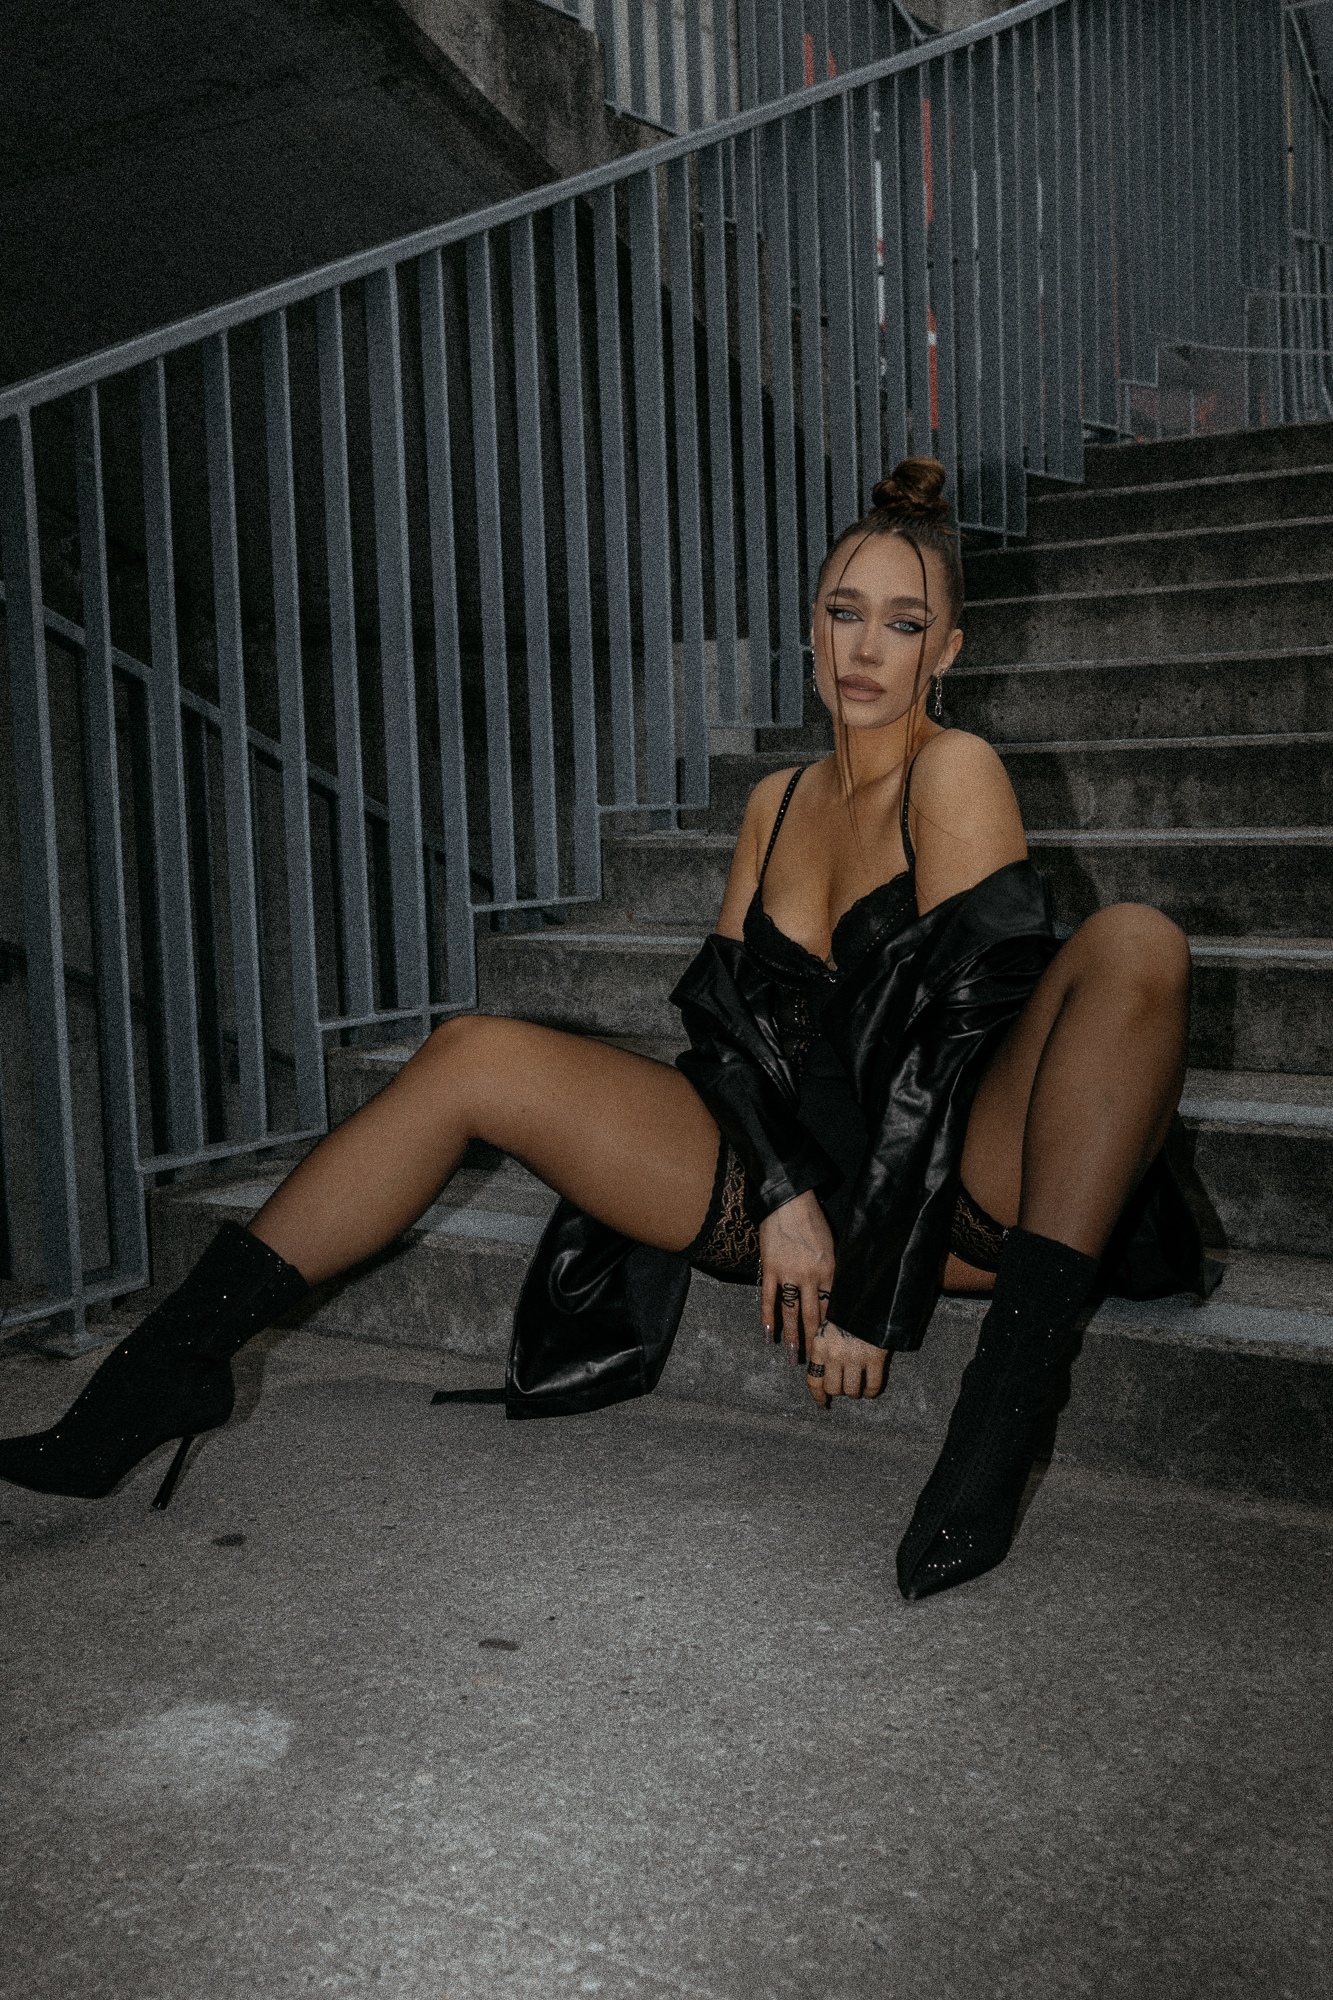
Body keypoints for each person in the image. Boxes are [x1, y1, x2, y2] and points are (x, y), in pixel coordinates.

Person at [0, 459, 1213, 1598]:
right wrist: (782, 1192)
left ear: (946, 649)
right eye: (845, 613)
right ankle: (163, 1371)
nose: (865, 647)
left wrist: (871, 1294)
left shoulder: (956, 771)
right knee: (471, 1054)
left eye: (903, 623)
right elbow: (724, 1035)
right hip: (793, 1183)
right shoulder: (775, 800)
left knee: (1136, 942)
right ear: (808, 627)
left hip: (951, 1190)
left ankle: (1002, 1415)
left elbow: (947, 1050)